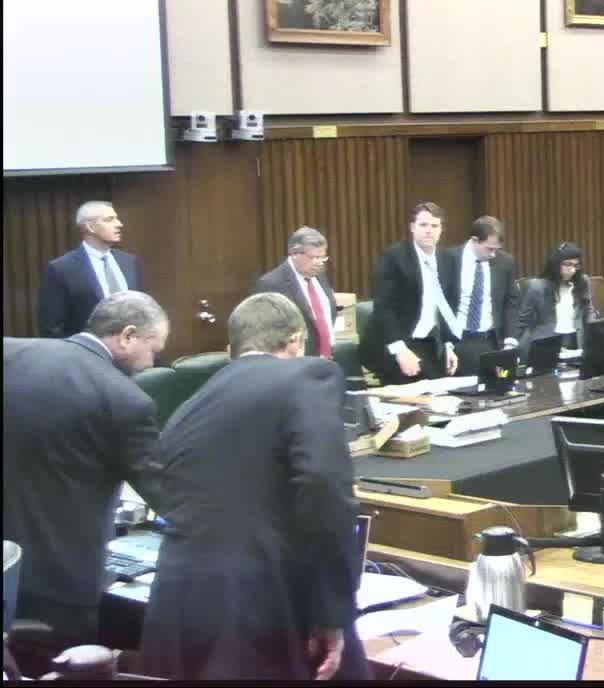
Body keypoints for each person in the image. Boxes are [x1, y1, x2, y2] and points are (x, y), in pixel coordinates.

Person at [140, 293, 368, 680]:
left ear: (232, 350)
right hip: (262, 610)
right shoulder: (307, 376)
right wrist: (331, 611)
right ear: (296, 340)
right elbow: (322, 487)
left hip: (177, 607)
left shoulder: (190, 404)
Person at [3, 291, 169, 650]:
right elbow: (169, 495)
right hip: (61, 584)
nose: (151, 363)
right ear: (128, 336)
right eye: (153, 350)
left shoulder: (10, 352)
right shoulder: (125, 400)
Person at [360, 201, 460, 384]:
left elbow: (448, 306)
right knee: (412, 389)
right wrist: (400, 350)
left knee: (444, 386)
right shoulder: (393, 257)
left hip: (429, 341)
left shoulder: (447, 259)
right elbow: (384, 308)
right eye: (423, 225)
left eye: (434, 226)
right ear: (412, 227)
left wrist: (448, 345)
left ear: (441, 230)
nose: (429, 230)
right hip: (394, 341)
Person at [37, 200, 144, 338]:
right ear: (90, 227)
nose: (119, 224)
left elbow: (140, 309)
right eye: (110, 219)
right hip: (85, 349)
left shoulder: (129, 262)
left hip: (130, 346)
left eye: (116, 218)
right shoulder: (62, 268)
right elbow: (51, 327)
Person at [439, 216, 521, 376]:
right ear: (474, 240)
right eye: (489, 249)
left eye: (496, 249)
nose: (493, 254)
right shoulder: (448, 259)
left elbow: (510, 304)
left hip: (492, 342)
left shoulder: (505, 262)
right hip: (458, 343)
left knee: (499, 386)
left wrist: (510, 342)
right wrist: (446, 344)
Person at [252, 226, 337, 358]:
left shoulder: (319, 276)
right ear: (294, 254)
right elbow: (266, 333)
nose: (319, 263)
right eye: (314, 257)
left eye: (322, 258)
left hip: (327, 358)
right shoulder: (271, 284)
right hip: (296, 362)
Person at [515, 242, 597, 361]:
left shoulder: (583, 282)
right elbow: (523, 320)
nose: (572, 270)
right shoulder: (538, 287)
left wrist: (593, 335)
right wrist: (515, 346)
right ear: (556, 264)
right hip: (547, 342)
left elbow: (589, 310)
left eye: (576, 265)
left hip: (575, 339)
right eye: (567, 264)